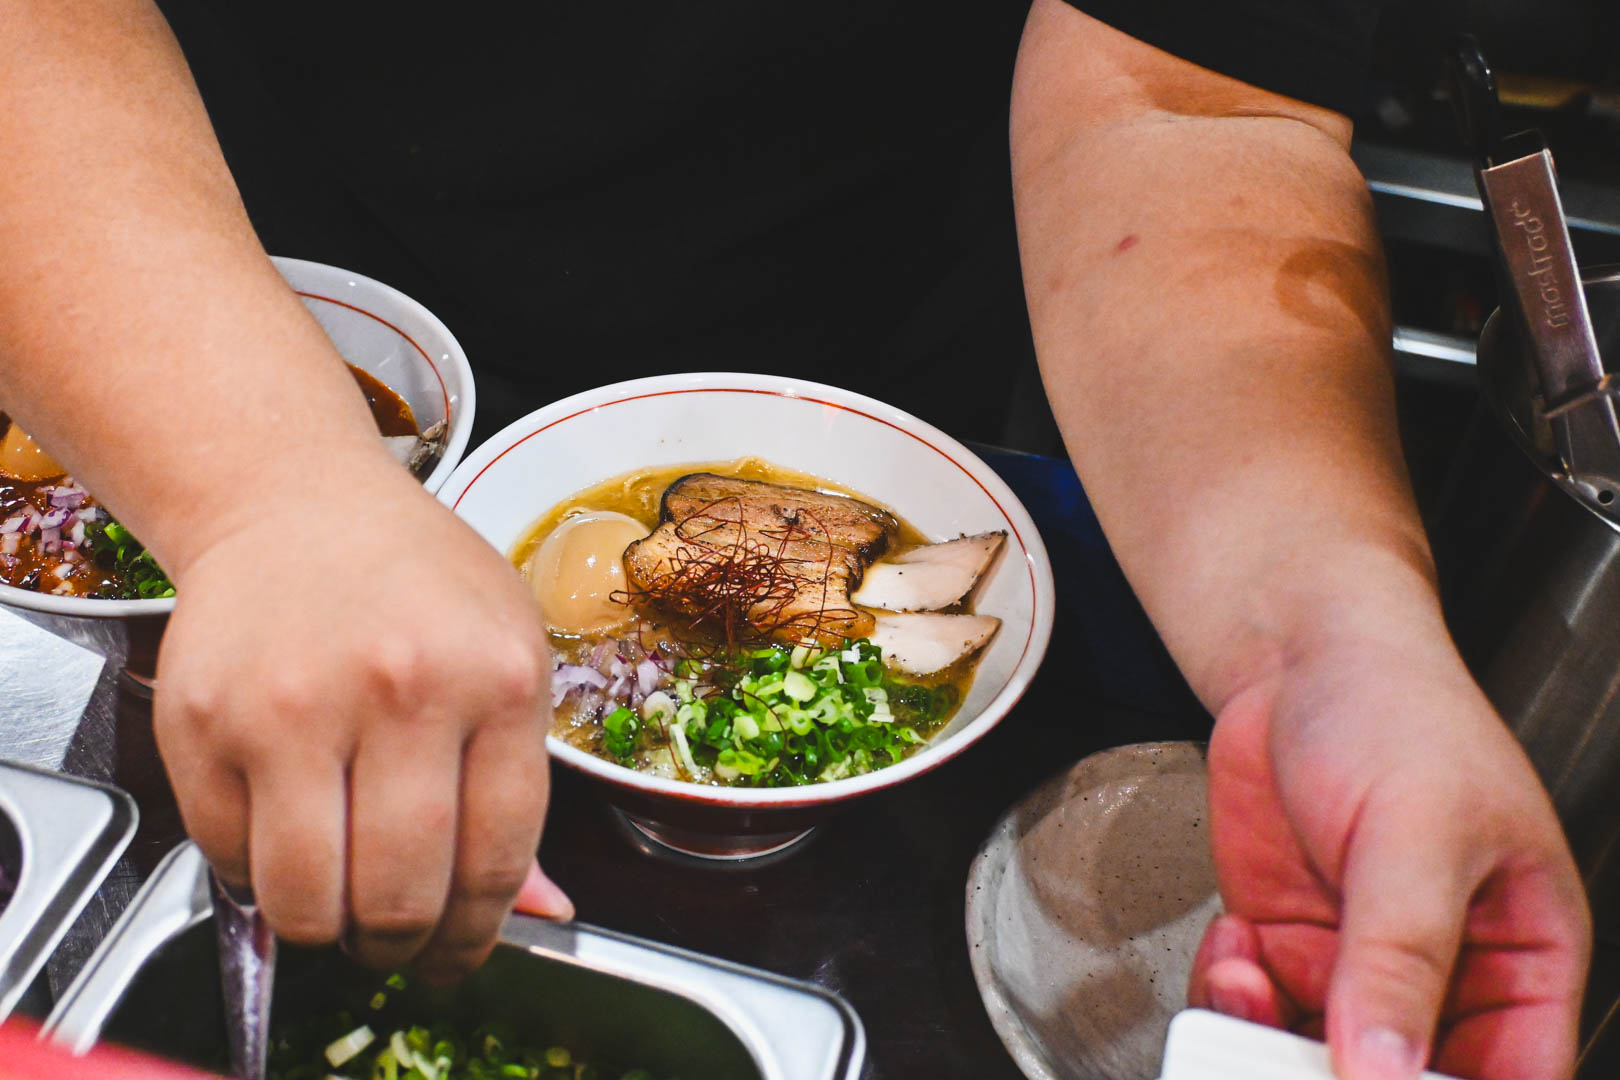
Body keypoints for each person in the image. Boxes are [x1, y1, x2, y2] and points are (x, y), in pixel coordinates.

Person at [0, 2, 1589, 1079]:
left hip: (867, 385)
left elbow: (1187, 84)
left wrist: (1323, 629)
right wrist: (272, 488)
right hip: (174, 306)